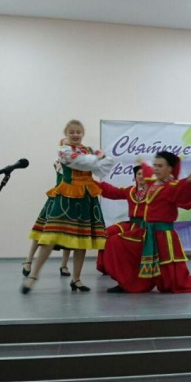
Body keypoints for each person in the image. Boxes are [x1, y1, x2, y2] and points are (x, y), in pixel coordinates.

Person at [99, 154, 191, 293]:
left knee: (171, 282)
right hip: (147, 232)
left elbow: (182, 197)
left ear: (170, 169)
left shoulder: (172, 187)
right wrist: (142, 162)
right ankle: (128, 283)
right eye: (155, 165)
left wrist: (189, 183)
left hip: (163, 236)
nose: (156, 169)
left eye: (160, 166)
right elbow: (148, 170)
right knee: (117, 243)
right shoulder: (152, 182)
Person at [21, 120, 114, 294]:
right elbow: (77, 162)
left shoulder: (89, 150)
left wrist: (95, 160)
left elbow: (105, 167)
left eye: (78, 132)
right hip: (66, 197)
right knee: (50, 236)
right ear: (66, 133)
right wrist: (96, 159)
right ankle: (33, 276)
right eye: (71, 132)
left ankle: (76, 279)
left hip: (86, 198)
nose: (75, 135)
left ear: (83, 133)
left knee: (81, 241)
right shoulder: (64, 150)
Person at [26, 144, 71, 277]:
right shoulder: (58, 162)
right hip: (56, 200)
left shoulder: (78, 163)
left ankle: (64, 265)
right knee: (41, 230)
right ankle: (28, 261)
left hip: (71, 200)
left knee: (69, 234)